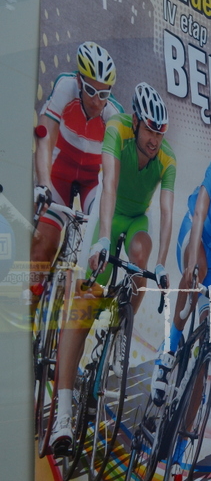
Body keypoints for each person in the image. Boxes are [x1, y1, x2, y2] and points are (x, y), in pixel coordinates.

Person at [50, 82, 176, 452]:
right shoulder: (117, 129)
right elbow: (108, 187)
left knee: (142, 256)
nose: (155, 139)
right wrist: (103, 239)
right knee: (84, 306)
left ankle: (121, 330)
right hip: (109, 215)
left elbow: (166, 212)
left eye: (160, 131)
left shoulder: (166, 158)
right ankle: (62, 416)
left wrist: (163, 263)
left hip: (136, 219)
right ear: (136, 122)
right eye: (150, 129)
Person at [150, 125, 211, 406]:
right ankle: (168, 352)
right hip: (192, 233)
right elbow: (199, 212)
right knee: (198, 274)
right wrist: (193, 259)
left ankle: (195, 374)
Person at [31, 42, 122, 295]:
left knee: (98, 245)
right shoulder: (65, 86)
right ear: (80, 81)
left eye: (104, 94)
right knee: (42, 247)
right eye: (91, 91)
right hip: (60, 172)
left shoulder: (114, 114)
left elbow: (111, 181)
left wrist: (103, 235)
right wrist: (44, 184)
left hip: (92, 181)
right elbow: (44, 136)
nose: (96, 101)